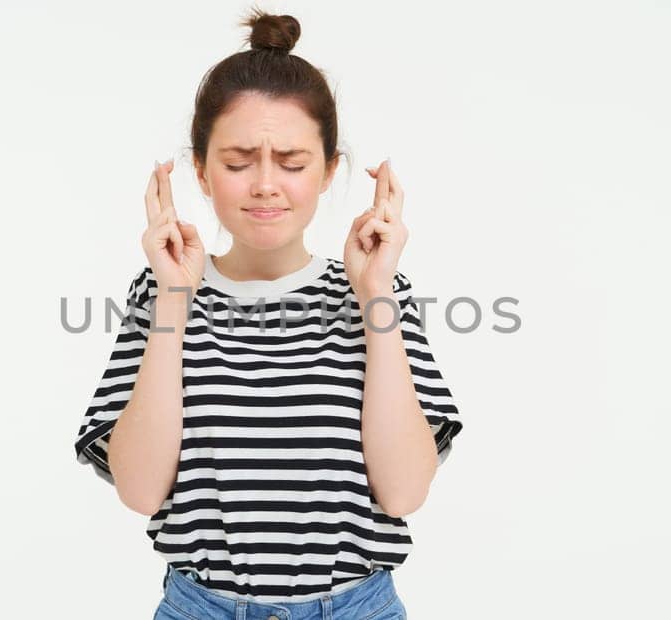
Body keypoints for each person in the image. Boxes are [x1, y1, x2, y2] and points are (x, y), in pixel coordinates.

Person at [73, 9, 463, 619]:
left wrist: (376, 298)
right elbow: (141, 490)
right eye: (236, 162)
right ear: (200, 171)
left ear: (330, 169)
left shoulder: (380, 291)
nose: (264, 184)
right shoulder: (162, 293)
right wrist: (175, 299)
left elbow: (405, 491)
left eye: (292, 161)